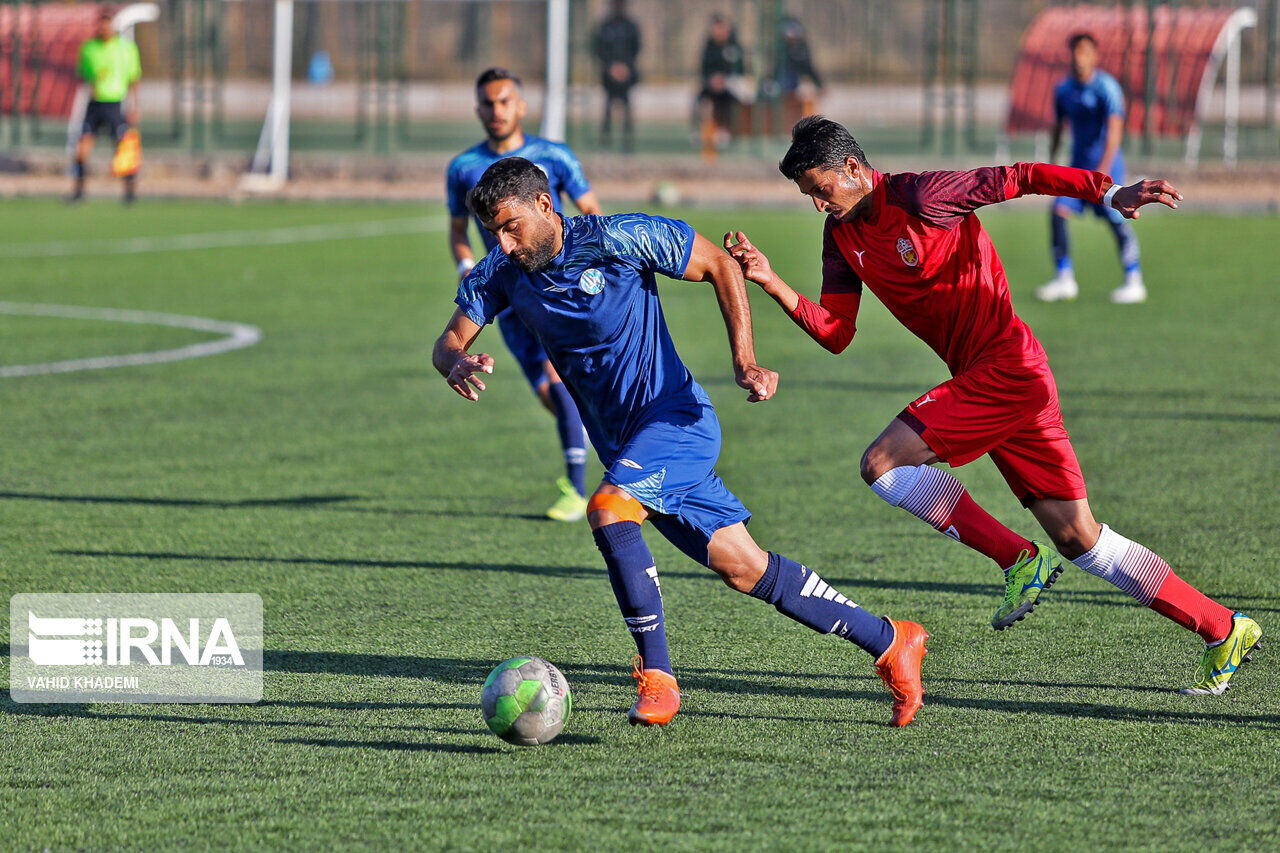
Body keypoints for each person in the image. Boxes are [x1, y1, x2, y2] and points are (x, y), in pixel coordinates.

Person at [726, 116, 1260, 696]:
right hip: (996, 381)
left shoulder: (924, 195)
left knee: (882, 463)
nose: (817, 205)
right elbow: (837, 332)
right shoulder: (841, 237)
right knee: (1079, 537)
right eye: (808, 196)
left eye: (820, 190)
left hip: (1006, 368)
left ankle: (1016, 558)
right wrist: (772, 281)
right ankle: (1221, 626)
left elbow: (1022, 175)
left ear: (853, 168)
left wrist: (1109, 192)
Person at [433, 156, 928, 727]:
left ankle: (658, 676)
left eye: (510, 225)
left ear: (546, 205)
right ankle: (892, 641)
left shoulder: (619, 236)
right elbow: (446, 341)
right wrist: (454, 361)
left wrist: (745, 361)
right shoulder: (500, 272)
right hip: (627, 448)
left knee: (610, 510)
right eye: (492, 231)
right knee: (746, 568)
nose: (503, 241)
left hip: (677, 421)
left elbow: (719, 263)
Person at [446, 68, 603, 522]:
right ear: (478, 110)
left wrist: (595, 262)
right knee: (546, 392)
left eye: (504, 101)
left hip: (554, 284)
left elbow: (591, 210)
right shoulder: (463, 168)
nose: (496, 111)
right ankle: (586, 427)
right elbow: (458, 231)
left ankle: (577, 490)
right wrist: (468, 271)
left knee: (558, 375)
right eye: (488, 104)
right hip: (504, 289)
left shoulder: (553, 156)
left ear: (521, 106)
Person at [1040, 32, 1145, 304]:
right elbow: (1058, 129)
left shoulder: (1107, 88)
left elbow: (1114, 134)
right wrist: (1048, 165)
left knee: (1117, 219)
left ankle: (1134, 279)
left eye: (1085, 51)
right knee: (1058, 212)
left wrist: (1103, 173)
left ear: (1095, 56)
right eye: (1075, 51)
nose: (1079, 57)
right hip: (1077, 171)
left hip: (1107, 170)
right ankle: (1064, 278)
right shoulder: (1063, 90)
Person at [70, 9, 141, 203]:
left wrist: (135, 105)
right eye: (101, 24)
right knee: (81, 149)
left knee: (124, 148)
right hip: (94, 105)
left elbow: (133, 78)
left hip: (115, 104)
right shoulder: (89, 48)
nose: (103, 28)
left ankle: (130, 192)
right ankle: (79, 191)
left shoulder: (126, 49)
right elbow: (82, 74)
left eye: (107, 24)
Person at [592, 0, 641, 151]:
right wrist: (611, 66)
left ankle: (627, 143)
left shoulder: (631, 27)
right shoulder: (604, 27)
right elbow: (597, 48)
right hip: (609, 75)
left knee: (627, 108)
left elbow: (636, 48)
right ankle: (605, 142)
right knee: (607, 108)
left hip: (627, 75)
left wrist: (625, 67)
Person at [696, 13, 748, 156]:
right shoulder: (708, 47)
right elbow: (704, 70)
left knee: (730, 100)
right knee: (702, 100)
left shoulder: (734, 47)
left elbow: (740, 70)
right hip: (712, 85)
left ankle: (726, 129)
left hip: (730, 85)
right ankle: (702, 132)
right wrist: (712, 80)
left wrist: (725, 80)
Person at [774, 17, 823, 130]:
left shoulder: (801, 48)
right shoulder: (779, 48)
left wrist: (819, 85)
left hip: (793, 83)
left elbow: (808, 68)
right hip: (779, 84)